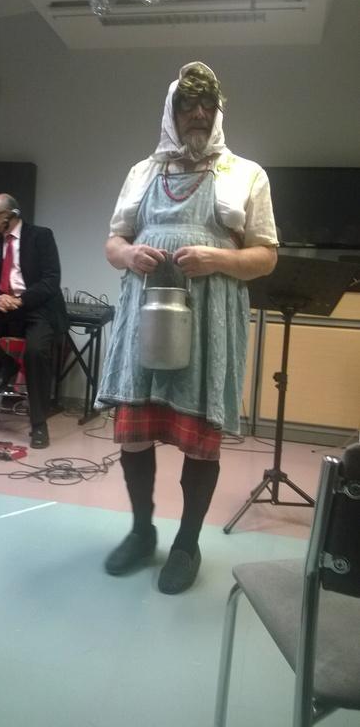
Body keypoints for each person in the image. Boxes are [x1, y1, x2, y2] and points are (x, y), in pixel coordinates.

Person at [95, 62, 278, 594]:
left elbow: (266, 256)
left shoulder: (246, 174)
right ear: (171, 112)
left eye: (207, 104)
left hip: (209, 320)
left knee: (200, 441)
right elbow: (113, 242)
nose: (198, 113)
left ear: (218, 112)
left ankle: (186, 544)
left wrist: (218, 259)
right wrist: (130, 254)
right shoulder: (142, 173)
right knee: (134, 433)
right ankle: (141, 531)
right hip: (145, 313)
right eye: (187, 104)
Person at [0, 193, 68, 449]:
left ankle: (39, 425)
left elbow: (51, 280)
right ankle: (3, 362)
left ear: (11, 215)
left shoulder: (41, 236)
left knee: (35, 353)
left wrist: (21, 300)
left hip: (38, 308)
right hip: (6, 307)